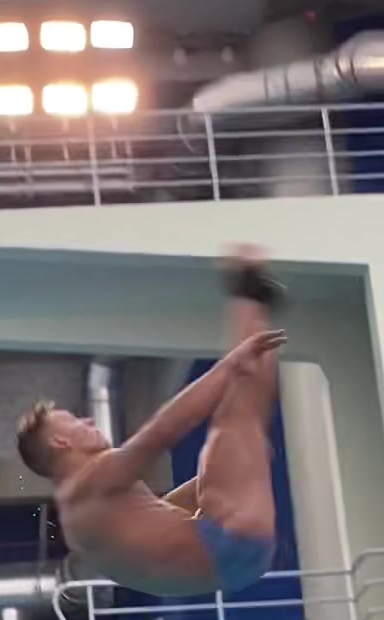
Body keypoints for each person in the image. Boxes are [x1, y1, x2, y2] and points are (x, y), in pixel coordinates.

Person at [15, 247, 285, 598]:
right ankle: (246, 285)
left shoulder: (78, 519)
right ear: (60, 442)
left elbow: (159, 521)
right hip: (231, 543)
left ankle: (259, 313)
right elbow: (162, 431)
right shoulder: (88, 481)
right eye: (74, 421)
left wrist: (230, 470)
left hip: (234, 568)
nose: (87, 420)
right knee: (234, 421)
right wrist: (229, 365)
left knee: (236, 441)